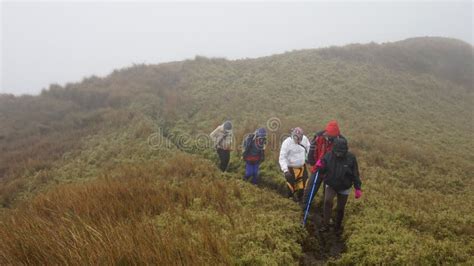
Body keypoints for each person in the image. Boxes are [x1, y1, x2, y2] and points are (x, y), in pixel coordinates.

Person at [317, 138, 362, 234]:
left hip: (345, 186)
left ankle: (337, 226)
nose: (338, 154)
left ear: (345, 150)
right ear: (334, 149)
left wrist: (357, 188)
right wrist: (320, 166)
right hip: (331, 184)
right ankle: (326, 225)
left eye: (341, 152)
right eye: (337, 152)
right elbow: (322, 171)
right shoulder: (328, 156)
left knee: (340, 208)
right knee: (327, 201)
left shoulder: (351, 158)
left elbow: (355, 174)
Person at [302, 120, 345, 209]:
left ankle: (323, 210)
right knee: (311, 188)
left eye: (333, 137)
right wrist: (313, 162)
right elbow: (312, 150)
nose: (331, 138)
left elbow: (342, 157)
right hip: (318, 167)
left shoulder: (341, 141)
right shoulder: (319, 137)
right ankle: (304, 208)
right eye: (330, 136)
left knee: (327, 194)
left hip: (330, 171)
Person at [279, 127, 310, 203]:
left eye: (299, 139)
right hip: (291, 168)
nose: (297, 140)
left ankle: (301, 200)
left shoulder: (305, 140)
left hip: (302, 167)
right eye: (296, 138)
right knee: (291, 187)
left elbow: (309, 149)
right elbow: (282, 157)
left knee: (304, 186)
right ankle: (290, 201)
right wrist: (285, 171)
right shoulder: (287, 143)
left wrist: (309, 158)